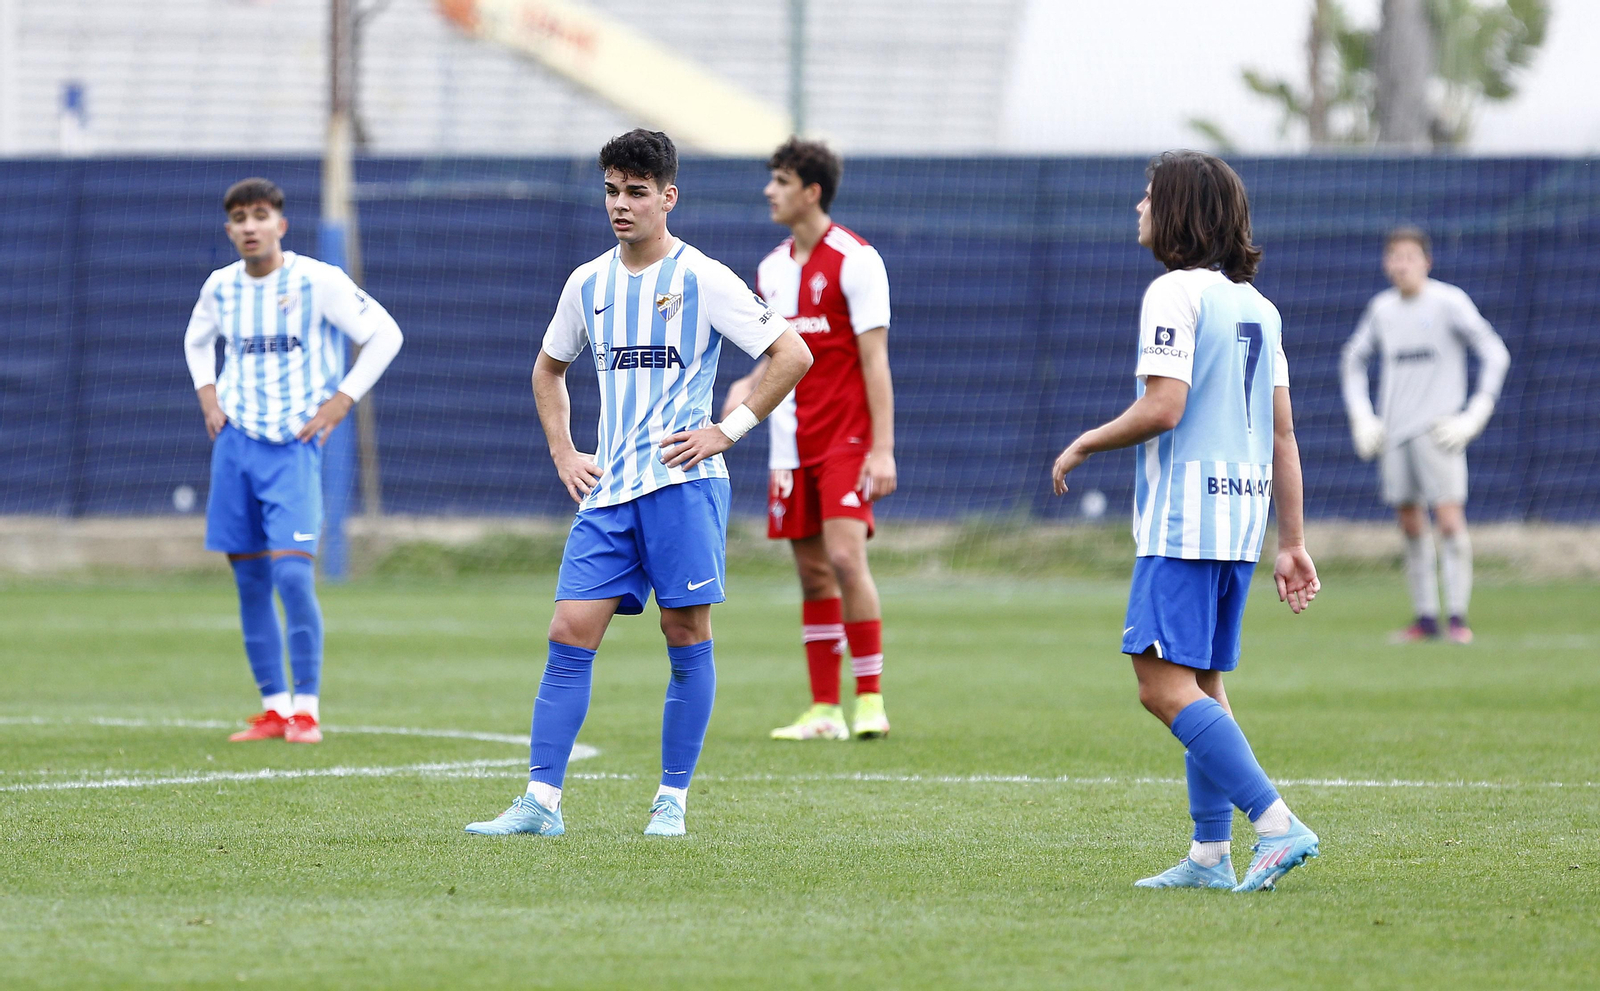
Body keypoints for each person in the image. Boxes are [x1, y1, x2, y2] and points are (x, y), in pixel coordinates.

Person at [464, 129, 812, 839]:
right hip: (609, 491)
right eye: (612, 191)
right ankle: (539, 802)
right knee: (568, 630)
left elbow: (792, 353)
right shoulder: (586, 283)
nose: (620, 205)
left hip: (684, 487)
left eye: (636, 193)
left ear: (668, 197)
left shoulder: (704, 278)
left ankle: (672, 800)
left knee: (684, 631)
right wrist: (565, 451)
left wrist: (728, 429)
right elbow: (547, 368)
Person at [1050, 151, 1322, 892]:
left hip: (1186, 523)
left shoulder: (1175, 292)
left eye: (1147, 196)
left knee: (1160, 685)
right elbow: (1284, 434)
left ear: (1178, 212)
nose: (1137, 207)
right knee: (1201, 682)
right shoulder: (1258, 306)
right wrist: (1290, 542)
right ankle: (1210, 854)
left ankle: (1276, 824)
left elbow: (1163, 406)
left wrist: (1085, 439)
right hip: (1239, 522)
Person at [183, 177, 404, 744]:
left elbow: (385, 334)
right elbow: (196, 339)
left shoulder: (318, 280)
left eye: (260, 215)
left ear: (280, 224)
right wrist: (208, 395)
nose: (250, 226)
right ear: (229, 229)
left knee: (291, 575)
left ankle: (306, 707)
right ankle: (274, 708)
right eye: (239, 218)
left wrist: (340, 402)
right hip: (236, 448)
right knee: (252, 581)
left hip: (294, 448)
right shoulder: (221, 287)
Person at [722, 138, 897, 742]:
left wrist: (882, 448)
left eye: (780, 180)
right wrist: (744, 384)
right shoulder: (770, 270)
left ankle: (869, 699)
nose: (770, 191)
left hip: (846, 437)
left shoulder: (856, 260)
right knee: (813, 574)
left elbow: (875, 361)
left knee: (847, 558)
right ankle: (824, 710)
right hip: (787, 443)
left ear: (811, 191)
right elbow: (771, 352)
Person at [1341, 227, 1510, 645]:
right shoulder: (1381, 309)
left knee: (1449, 521)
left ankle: (1457, 617)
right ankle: (1426, 618)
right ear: (1386, 263)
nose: (1401, 264)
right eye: (1394, 256)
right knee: (1411, 524)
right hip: (1395, 433)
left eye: (1409, 256)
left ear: (1426, 261)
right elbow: (1352, 360)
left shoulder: (1448, 301)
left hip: (1439, 432)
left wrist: (1475, 413)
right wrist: (1364, 417)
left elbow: (1494, 351)